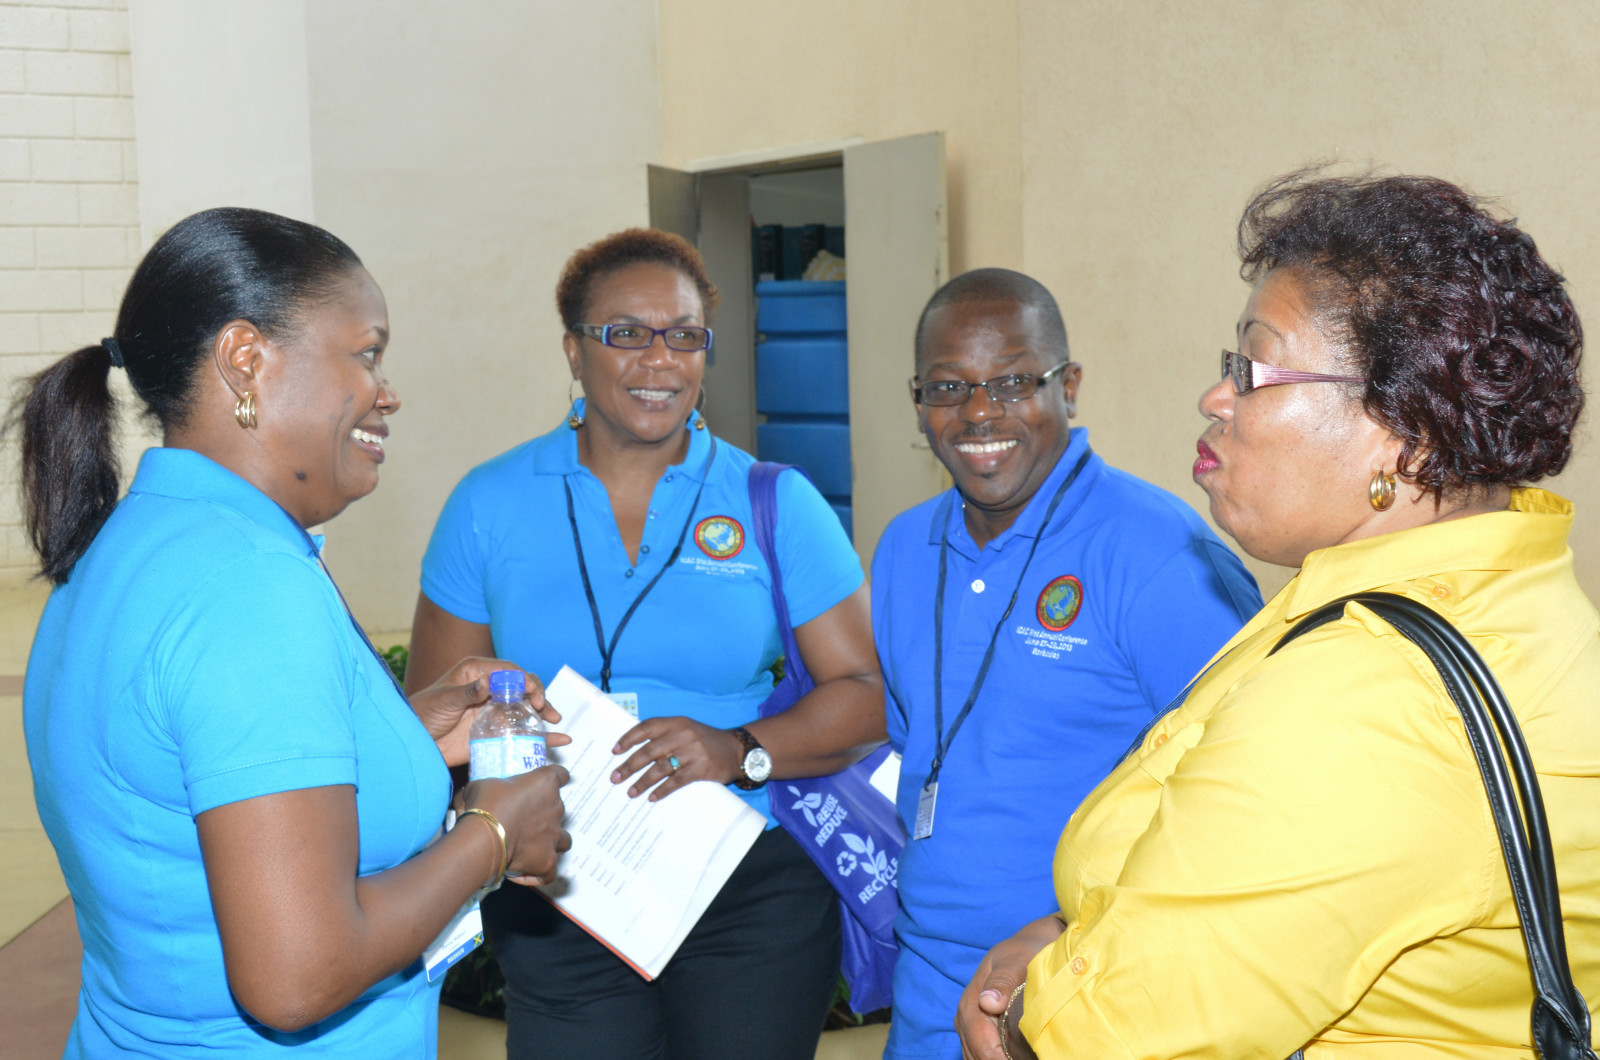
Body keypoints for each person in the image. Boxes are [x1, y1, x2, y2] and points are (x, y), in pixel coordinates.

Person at [959, 171, 1600, 1060]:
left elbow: (1111, 1035)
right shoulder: (1507, 592)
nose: (1215, 399)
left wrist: (1031, 1002)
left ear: (1402, 432)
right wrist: (1082, 939)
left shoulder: (1367, 702)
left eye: (1252, 370)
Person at [15, 207, 572, 1059]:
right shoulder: (248, 585)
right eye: (367, 353)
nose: (388, 391)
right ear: (246, 359)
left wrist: (397, 733)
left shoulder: (132, 544)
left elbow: (190, 774)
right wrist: (492, 833)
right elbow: (297, 976)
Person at [406, 227, 885, 1059]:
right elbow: (434, 715)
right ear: (573, 349)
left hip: (749, 883)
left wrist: (739, 748)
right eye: (626, 333)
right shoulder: (488, 504)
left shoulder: (776, 500)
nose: (660, 359)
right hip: (558, 881)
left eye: (685, 335)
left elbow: (867, 695)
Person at [871, 267, 1261, 1059]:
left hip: (1088, 991)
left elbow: (1247, 797)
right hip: (925, 991)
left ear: (1069, 387)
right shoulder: (904, 547)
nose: (979, 412)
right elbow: (921, 748)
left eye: (1013, 382)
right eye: (948, 388)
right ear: (918, 402)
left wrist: (1071, 928)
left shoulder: (1161, 554)